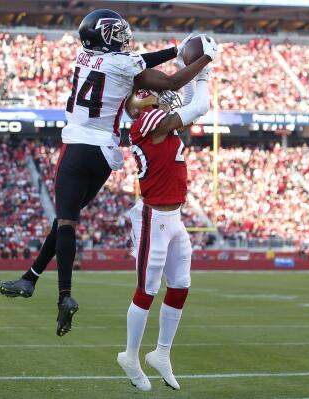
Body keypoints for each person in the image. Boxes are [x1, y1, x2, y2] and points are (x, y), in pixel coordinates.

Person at [0, 9, 218, 337]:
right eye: (116, 35)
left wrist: (175, 52)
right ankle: (29, 278)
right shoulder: (125, 67)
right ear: (104, 38)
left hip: (77, 145)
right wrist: (201, 59)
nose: (123, 40)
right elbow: (166, 79)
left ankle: (64, 296)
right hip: (105, 153)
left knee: (66, 222)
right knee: (63, 221)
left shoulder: (84, 55)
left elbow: (142, 68)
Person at [116, 61, 211, 391]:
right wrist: (203, 71)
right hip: (152, 218)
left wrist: (187, 65)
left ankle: (161, 353)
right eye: (157, 100)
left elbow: (185, 101)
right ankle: (130, 355)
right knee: (147, 290)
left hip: (174, 217)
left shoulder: (158, 122)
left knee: (181, 284)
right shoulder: (147, 122)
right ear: (146, 107)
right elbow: (199, 104)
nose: (165, 102)